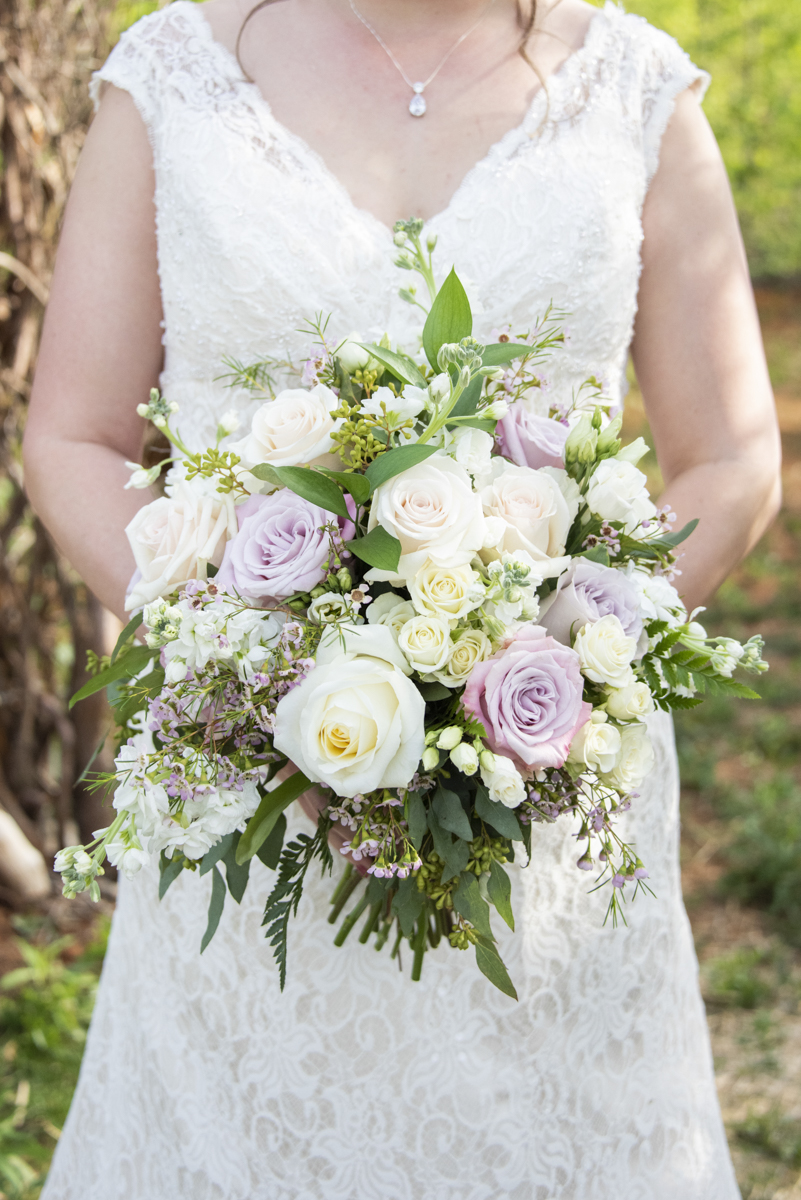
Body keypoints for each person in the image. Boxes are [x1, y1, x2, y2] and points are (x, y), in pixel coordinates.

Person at [24, 0, 780, 1195]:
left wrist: (576, 655)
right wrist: (243, 660)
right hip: (243, 785)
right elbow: (70, 435)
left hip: (550, 785)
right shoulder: (171, 76)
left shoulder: (632, 89)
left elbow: (735, 459)